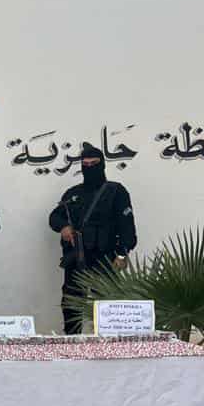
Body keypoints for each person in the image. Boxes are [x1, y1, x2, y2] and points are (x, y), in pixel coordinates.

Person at [49, 143, 137, 334]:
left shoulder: (116, 192)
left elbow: (127, 226)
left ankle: (106, 344)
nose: (89, 168)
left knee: (106, 308)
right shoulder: (73, 193)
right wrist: (63, 227)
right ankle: (71, 342)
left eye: (94, 164)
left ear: (102, 164)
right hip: (77, 258)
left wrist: (122, 254)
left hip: (105, 259)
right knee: (71, 304)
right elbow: (54, 216)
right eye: (85, 164)